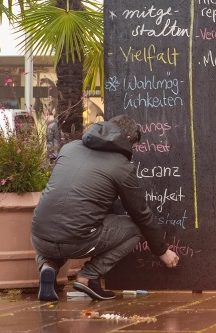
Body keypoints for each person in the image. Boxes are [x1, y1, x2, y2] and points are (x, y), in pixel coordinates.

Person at [31, 114, 179, 301]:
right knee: (135, 228)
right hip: (77, 241)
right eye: (133, 147)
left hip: (39, 236)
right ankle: (88, 276)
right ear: (128, 140)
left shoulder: (68, 149)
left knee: (57, 226)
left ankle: (47, 266)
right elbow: (141, 214)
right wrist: (162, 250)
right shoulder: (121, 167)